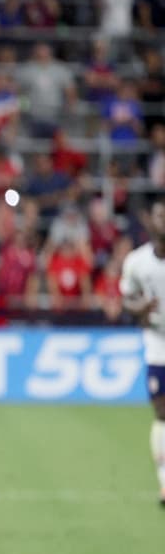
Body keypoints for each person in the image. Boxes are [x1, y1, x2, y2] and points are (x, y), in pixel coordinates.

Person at [117, 198, 165, 506]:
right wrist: (141, 308)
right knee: (161, 412)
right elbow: (127, 299)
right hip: (158, 344)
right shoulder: (137, 262)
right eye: (161, 215)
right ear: (150, 220)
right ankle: (164, 481)